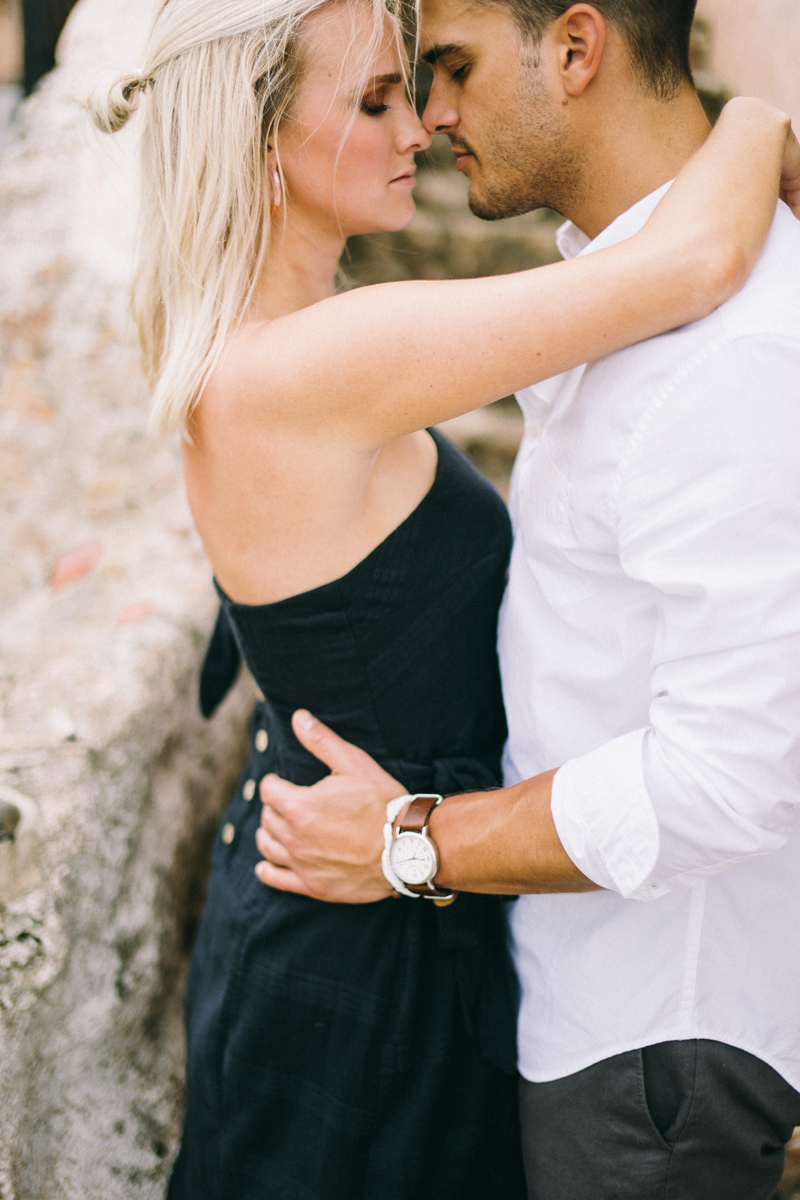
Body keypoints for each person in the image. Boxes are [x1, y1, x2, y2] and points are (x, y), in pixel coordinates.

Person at [88, 0, 798, 1194]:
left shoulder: (282, 348)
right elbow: (686, 266)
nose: (416, 123)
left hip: (395, 913)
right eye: (374, 100)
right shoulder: (317, 362)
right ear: (266, 142)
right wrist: (759, 119)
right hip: (360, 950)